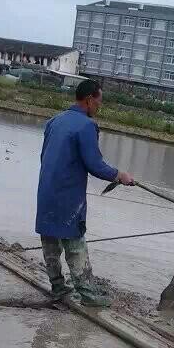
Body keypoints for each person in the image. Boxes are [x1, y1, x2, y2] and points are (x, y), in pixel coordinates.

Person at [35, 79, 134, 306]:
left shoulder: (54, 121)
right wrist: (120, 175)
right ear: (89, 99)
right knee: (75, 244)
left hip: (46, 190)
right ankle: (88, 295)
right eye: (99, 102)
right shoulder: (86, 126)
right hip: (69, 196)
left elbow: (44, 157)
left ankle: (58, 287)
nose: (99, 107)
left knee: (50, 241)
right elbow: (95, 164)